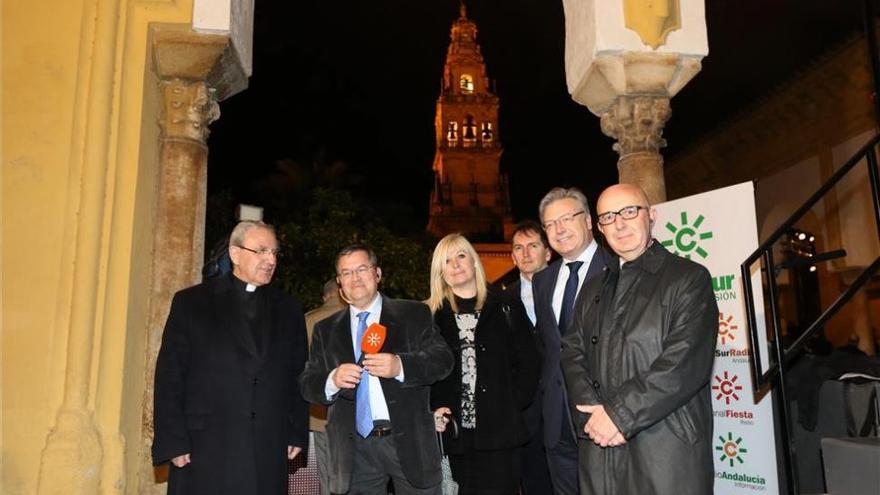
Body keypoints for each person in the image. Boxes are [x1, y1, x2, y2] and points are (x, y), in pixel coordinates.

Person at [561, 184, 718, 494]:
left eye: (629, 211)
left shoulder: (688, 279)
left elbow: (683, 365)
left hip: (666, 449)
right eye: (607, 217)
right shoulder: (592, 290)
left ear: (652, 216)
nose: (619, 223)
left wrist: (619, 416)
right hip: (601, 446)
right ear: (600, 228)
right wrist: (596, 415)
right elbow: (572, 351)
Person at [152, 220, 309, 495]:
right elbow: (170, 375)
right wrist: (174, 440)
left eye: (274, 253)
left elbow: (297, 374)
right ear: (235, 254)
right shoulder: (192, 303)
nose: (270, 259)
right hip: (206, 445)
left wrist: (296, 430)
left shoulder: (289, 309)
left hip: (267, 444)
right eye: (261, 251)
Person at [298, 244, 454, 495]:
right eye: (346, 273)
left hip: (408, 442)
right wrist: (332, 380)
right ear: (339, 283)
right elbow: (307, 383)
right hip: (354, 450)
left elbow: (443, 360)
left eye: (362, 269)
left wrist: (401, 366)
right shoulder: (326, 330)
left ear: (377, 273)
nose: (355, 278)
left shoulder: (413, 314)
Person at [428, 233, 540, 495]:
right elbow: (427, 372)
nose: (455, 264)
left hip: (501, 432)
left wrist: (513, 401)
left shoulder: (506, 305)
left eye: (461, 256)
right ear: (439, 271)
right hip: (455, 434)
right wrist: (432, 409)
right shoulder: (431, 316)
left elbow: (529, 360)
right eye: (446, 260)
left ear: (474, 261)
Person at [531, 187, 614, 495]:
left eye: (567, 218)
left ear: (590, 221)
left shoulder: (617, 269)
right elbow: (548, 346)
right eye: (550, 224)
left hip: (605, 416)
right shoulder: (543, 281)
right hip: (556, 421)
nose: (559, 229)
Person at [506, 220, 553, 495]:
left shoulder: (572, 290)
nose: (525, 253)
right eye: (518, 248)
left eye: (533, 246)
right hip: (525, 417)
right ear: (512, 256)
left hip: (567, 410)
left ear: (548, 252)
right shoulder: (500, 301)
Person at [304, 279, 345, 495]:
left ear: (325, 297)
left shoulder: (308, 320)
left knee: (328, 475)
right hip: (354, 414)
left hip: (320, 414)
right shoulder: (356, 317)